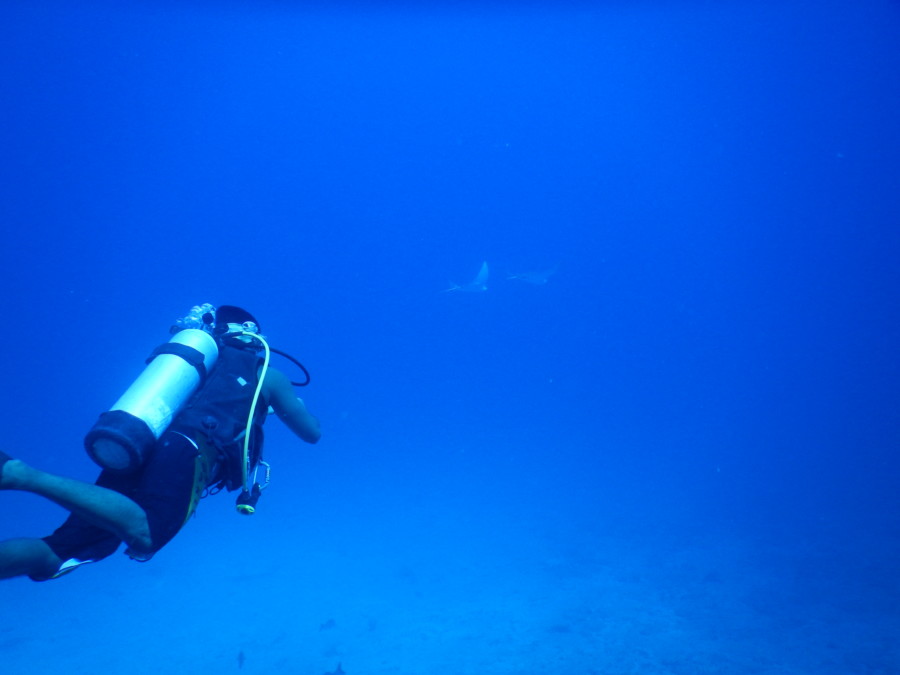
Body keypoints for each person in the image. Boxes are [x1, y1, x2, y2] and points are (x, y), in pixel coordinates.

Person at [0, 304, 320, 581]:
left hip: (140, 442)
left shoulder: (195, 361)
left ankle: (21, 480)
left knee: (55, 553)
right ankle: (21, 475)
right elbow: (311, 433)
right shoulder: (265, 374)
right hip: (189, 451)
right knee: (146, 534)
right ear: (251, 330)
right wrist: (295, 406)